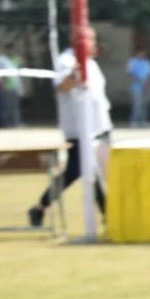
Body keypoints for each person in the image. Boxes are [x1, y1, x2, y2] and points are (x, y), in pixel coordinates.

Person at [28, 28, 113, 228]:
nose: (93, 43)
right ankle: (107, 214)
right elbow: (62, 87)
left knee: (79, 172)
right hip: (80, 130)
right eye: (88, 40)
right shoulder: (66, 61)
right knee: (90, 171)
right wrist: (75, 71)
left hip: (100, 126)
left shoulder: (92, 63)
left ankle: (40, 208)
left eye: (93, 39)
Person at [125, 48, 150, 127]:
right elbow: (130, 73)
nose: (141, 55)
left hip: (145, 87)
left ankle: (144, 121)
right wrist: (139, 81)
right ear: (136, 54)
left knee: (145, 104)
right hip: (136, 87)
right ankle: (134, 121)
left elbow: (149, 74)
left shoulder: (147, 62)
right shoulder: (132, 62)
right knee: (137, 104)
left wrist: (146, 84)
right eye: (140, 53)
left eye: (143, 53)